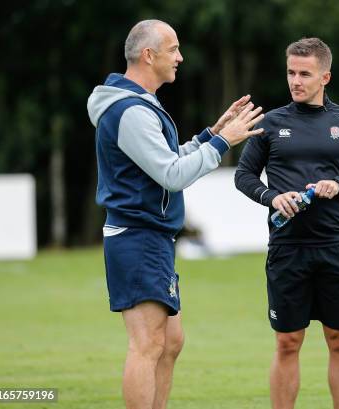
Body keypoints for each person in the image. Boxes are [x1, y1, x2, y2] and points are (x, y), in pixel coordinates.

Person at [87, 19, 264, 409]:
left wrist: (208, 135)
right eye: (173, 49)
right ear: (149, 55)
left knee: (170, 341)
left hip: (151, 238)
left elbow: (164, 161)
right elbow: (171, 175)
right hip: (137, 237)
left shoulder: (137, 104)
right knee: (147, 344)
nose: (181, 57)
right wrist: (221, 143)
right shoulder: (129, 110)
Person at [235, 37, 339, 409]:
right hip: (287, 249)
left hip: (337, 246)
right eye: (291, 72)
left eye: (305, 73)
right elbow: (244, 176)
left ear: (325, 77)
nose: (296, 80)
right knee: (287, 342)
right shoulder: (271, 123)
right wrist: (272, 197)